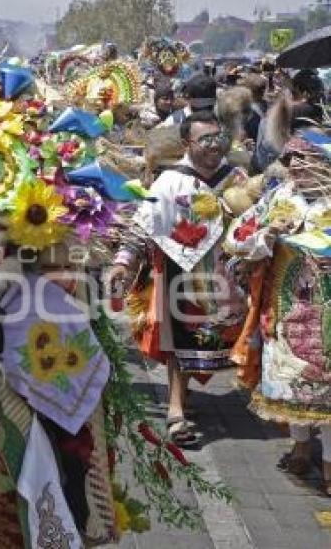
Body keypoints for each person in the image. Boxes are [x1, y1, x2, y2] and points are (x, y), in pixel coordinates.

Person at [106, 111, 252, 446]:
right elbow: (145, 223)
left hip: (227, 279)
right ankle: (175, 411)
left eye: (220, 139)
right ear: (187, 143)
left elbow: (256, 220)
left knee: (219, 340)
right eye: (206, 140)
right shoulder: (171, 181)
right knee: (178, 342)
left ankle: (184, 397)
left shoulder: (238, 178)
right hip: (180, 272)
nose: (215, 146)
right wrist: (123, 262)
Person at [225, 132, 331, 495]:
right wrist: (267, 234)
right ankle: (301, 446)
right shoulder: (278, 199)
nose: (297, 166)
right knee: (291, 384)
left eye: (306, 158)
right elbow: (236, 238)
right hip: (287, 310)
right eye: (290, 160)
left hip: (327, 311)